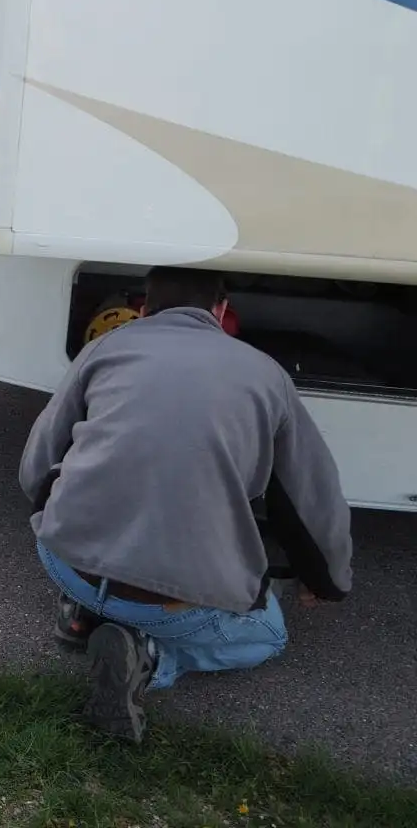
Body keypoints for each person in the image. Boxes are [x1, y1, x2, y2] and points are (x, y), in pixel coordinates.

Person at [18, 266, 354, 743]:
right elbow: (309, 499)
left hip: (67, 561)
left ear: (143, 309)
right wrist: (328, 583)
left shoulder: (105, 348)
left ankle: (83, 613)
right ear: (220, 312)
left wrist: (54, 515)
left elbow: (38, 463)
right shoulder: (267, 376)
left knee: (96, 543)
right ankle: (152, 658)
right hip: (171, 603)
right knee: (269, 634)